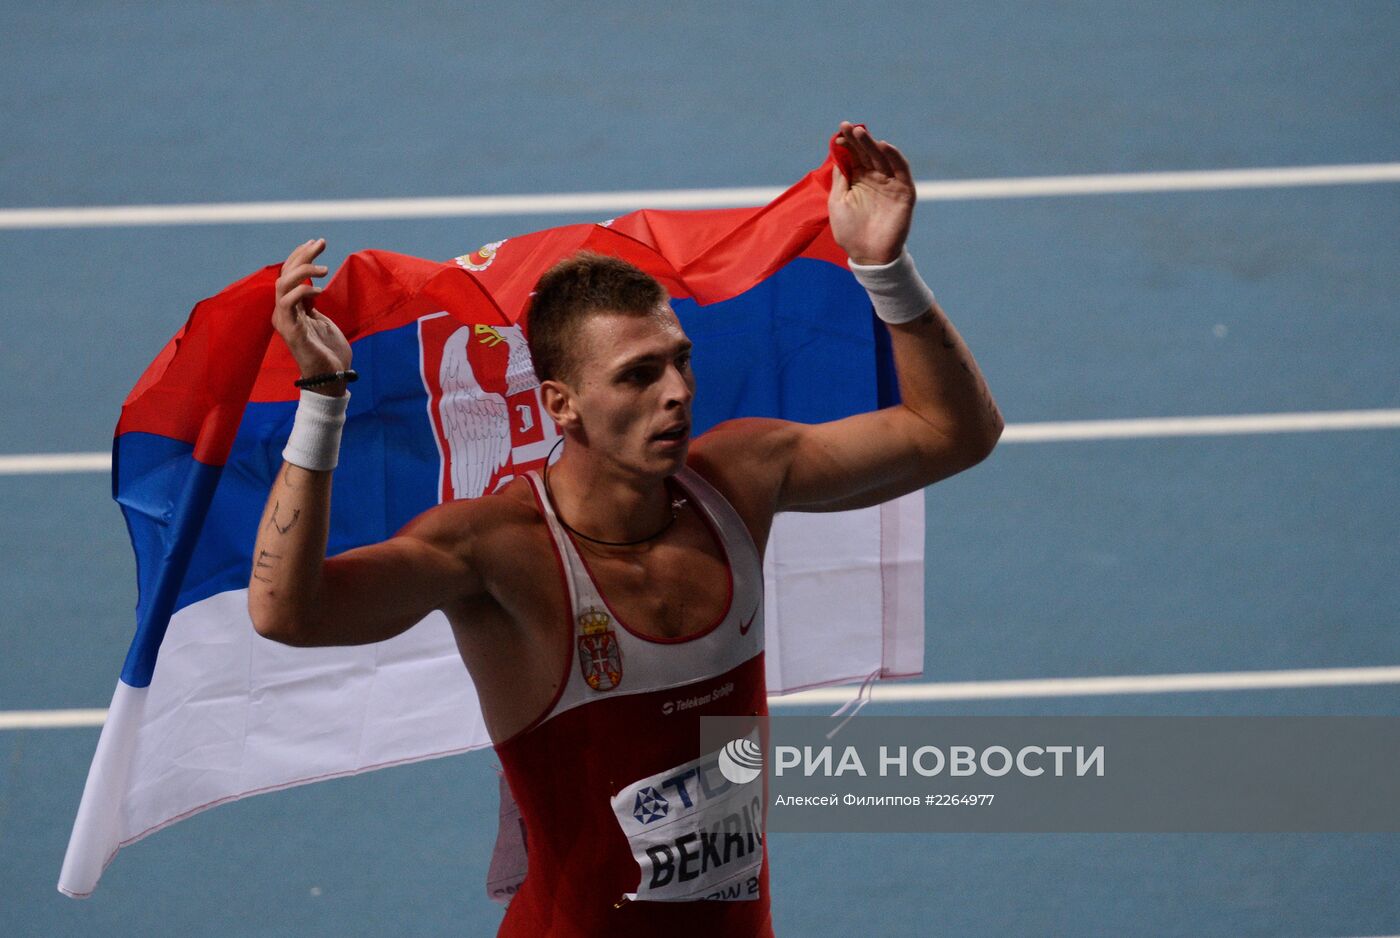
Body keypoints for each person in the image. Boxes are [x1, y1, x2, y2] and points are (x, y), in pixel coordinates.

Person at [247, 121, 1003, 937]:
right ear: (560, 406)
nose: (676, 391)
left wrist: (883, 269)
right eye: (638, 376)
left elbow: (954, 433)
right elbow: (290, 613)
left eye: (678, 360)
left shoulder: (739, 481)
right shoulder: (498, 552)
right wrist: (323, 400)